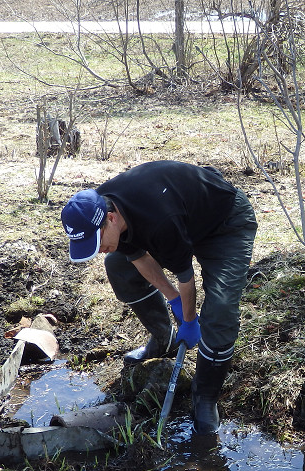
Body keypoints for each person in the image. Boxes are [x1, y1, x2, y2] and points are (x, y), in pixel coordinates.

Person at [61, 160, 258, 436]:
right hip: (184, 217)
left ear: (111, 219)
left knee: (221, 310)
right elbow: (137, 256)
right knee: (117, 265)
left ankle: (205, 397)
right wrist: (174, 301)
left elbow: (186, 278)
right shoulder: (101, 204)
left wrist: (189, 320)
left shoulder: (158, 219)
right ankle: (163, 338)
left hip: (224, 223)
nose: (100, 249)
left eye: (99, 241)